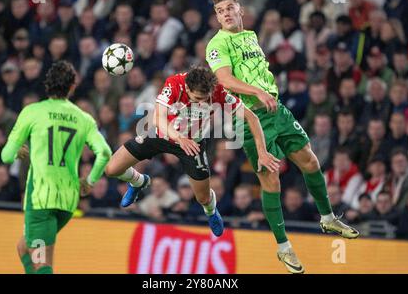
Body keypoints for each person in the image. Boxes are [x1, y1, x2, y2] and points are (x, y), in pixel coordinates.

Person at [206, 0, 359, 274]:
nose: (225, 13)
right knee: (271, 179)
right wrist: (256, 92)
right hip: (249, 117)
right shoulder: (217, 44)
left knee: (310, 161)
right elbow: (225, 80)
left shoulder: (250, 36)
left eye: (229, 8)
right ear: (217, 17)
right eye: (220, 11)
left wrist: (267, 93)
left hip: (276, 110)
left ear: (241, 10)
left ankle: (327, 218)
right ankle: (283, 247)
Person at [105, 66, 280, 238]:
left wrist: (262, 151)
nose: (202, 104)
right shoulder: (175, 84)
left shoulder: (218, 91)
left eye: (206, 99)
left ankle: (211, 212)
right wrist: (180, 138)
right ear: (187, 88)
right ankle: (138, 181)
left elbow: (251, 117)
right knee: (112, 169)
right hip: (161, 135)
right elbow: (158, 118)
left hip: (193, 145)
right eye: (197, 99)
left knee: (203, 198)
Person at [1, 61, 112, 274]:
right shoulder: (84, 118)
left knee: (42, 263)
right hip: (68, 200)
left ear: (47, 85)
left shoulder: (33, 112)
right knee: (24, 247)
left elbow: (6, 156)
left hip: (41, 200)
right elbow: (105, 153)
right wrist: (89, 182)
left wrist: (17, 152)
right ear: (72, 87)